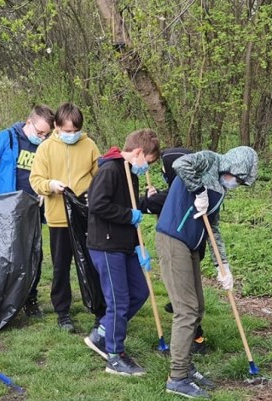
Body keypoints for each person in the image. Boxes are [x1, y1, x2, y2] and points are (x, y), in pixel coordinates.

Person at [155, 146, 258, 398]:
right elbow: (180, 164)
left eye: (242, 182)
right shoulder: (209, 160)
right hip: (173, 239)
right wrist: (199, 190)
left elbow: (214, 227)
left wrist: (222, 266)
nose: (237, 184)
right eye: (239, 178)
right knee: (186, 310)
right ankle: (177, 378)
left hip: (190, 245)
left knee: (198, 307)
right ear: (232, 167)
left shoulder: (220, 190)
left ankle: (186, 367)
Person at [83, 129, 160, 375]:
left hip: (124, 245)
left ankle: (103, 332)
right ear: (138, 152)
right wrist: (129, 215)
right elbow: (97, 205)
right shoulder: (110, 169)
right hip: (106, 245)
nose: (146, 168)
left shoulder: (130, 173)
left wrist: (138, 246)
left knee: (139, 290)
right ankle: (115, 356)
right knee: (118, 300)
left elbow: (128, 205)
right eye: (147, 162)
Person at [0, 105, 56, 317]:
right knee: (1, 256)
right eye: (39, 133)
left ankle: (29, 298)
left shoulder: (46, 146)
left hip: (31, 209)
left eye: (47, 134)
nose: (42, 138)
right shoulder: (5, 139)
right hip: (3, 209)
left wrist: (45, 191)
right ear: (29, 123)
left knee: (30, 254)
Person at [30, 102, 101, 332]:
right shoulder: (45, 148)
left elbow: (100, 177)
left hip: (85, 218)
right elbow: (36, 180)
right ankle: (63, 313)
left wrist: (94, 195)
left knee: (91, 264)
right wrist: (51, 185)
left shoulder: (89, 145)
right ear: (57, 127)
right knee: (61, 266)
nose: (72, 135)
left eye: (75, 131)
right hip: (58, 218)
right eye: (67, 131)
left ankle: (99, 310)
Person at [138, 147, 209, 355]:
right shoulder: (184, 188)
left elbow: (150, 204)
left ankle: (194, 341)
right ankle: (194, 338)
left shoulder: (179, 192)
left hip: (185, 249)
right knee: (187, 300)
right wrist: (153, 197)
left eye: (164, 169)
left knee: (187, 304)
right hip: (192, 246)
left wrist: (150, 199)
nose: (163, 173)